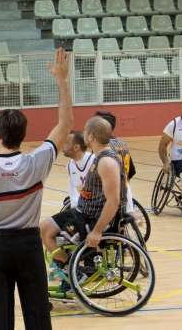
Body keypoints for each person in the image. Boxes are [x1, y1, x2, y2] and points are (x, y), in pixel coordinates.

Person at [0, 48, 72, 330]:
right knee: (37, 319)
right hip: (28, 245)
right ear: (24, 134)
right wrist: (61, 80)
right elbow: (66, 123)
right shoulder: (38, 161)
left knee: (1, 322)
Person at [41, 116, 127, 292]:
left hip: (92, 218)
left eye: (86, 130)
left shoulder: (106, 162)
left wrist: (96, 231)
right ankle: (69, 271)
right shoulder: (99, 157)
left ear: (91, 137)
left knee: (56, 240)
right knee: (43, 229)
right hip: (82, 211)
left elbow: (114, 200)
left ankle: (72, 273)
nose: (84, 132)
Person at [63, 131, 93, 209]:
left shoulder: (95, 160)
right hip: (83, 207)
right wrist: (74, 207)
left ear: (76, 147)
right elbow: (73, 189)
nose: (62, 145)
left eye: (65, 143)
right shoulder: (69, 166)